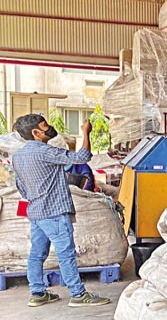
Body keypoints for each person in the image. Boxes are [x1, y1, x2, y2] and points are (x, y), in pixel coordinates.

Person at [11, 114, 110, 308]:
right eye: (45, 126)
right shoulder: (45, 152)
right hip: (54, 212)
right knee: (66, 254)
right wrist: (85, 133)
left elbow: (21, 187)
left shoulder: (17, 157)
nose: (50, 128)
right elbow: (82, 157)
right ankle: (78, 294)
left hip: (36, 212)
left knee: (37, 254)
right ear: (36, 133)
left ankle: (38, 293)